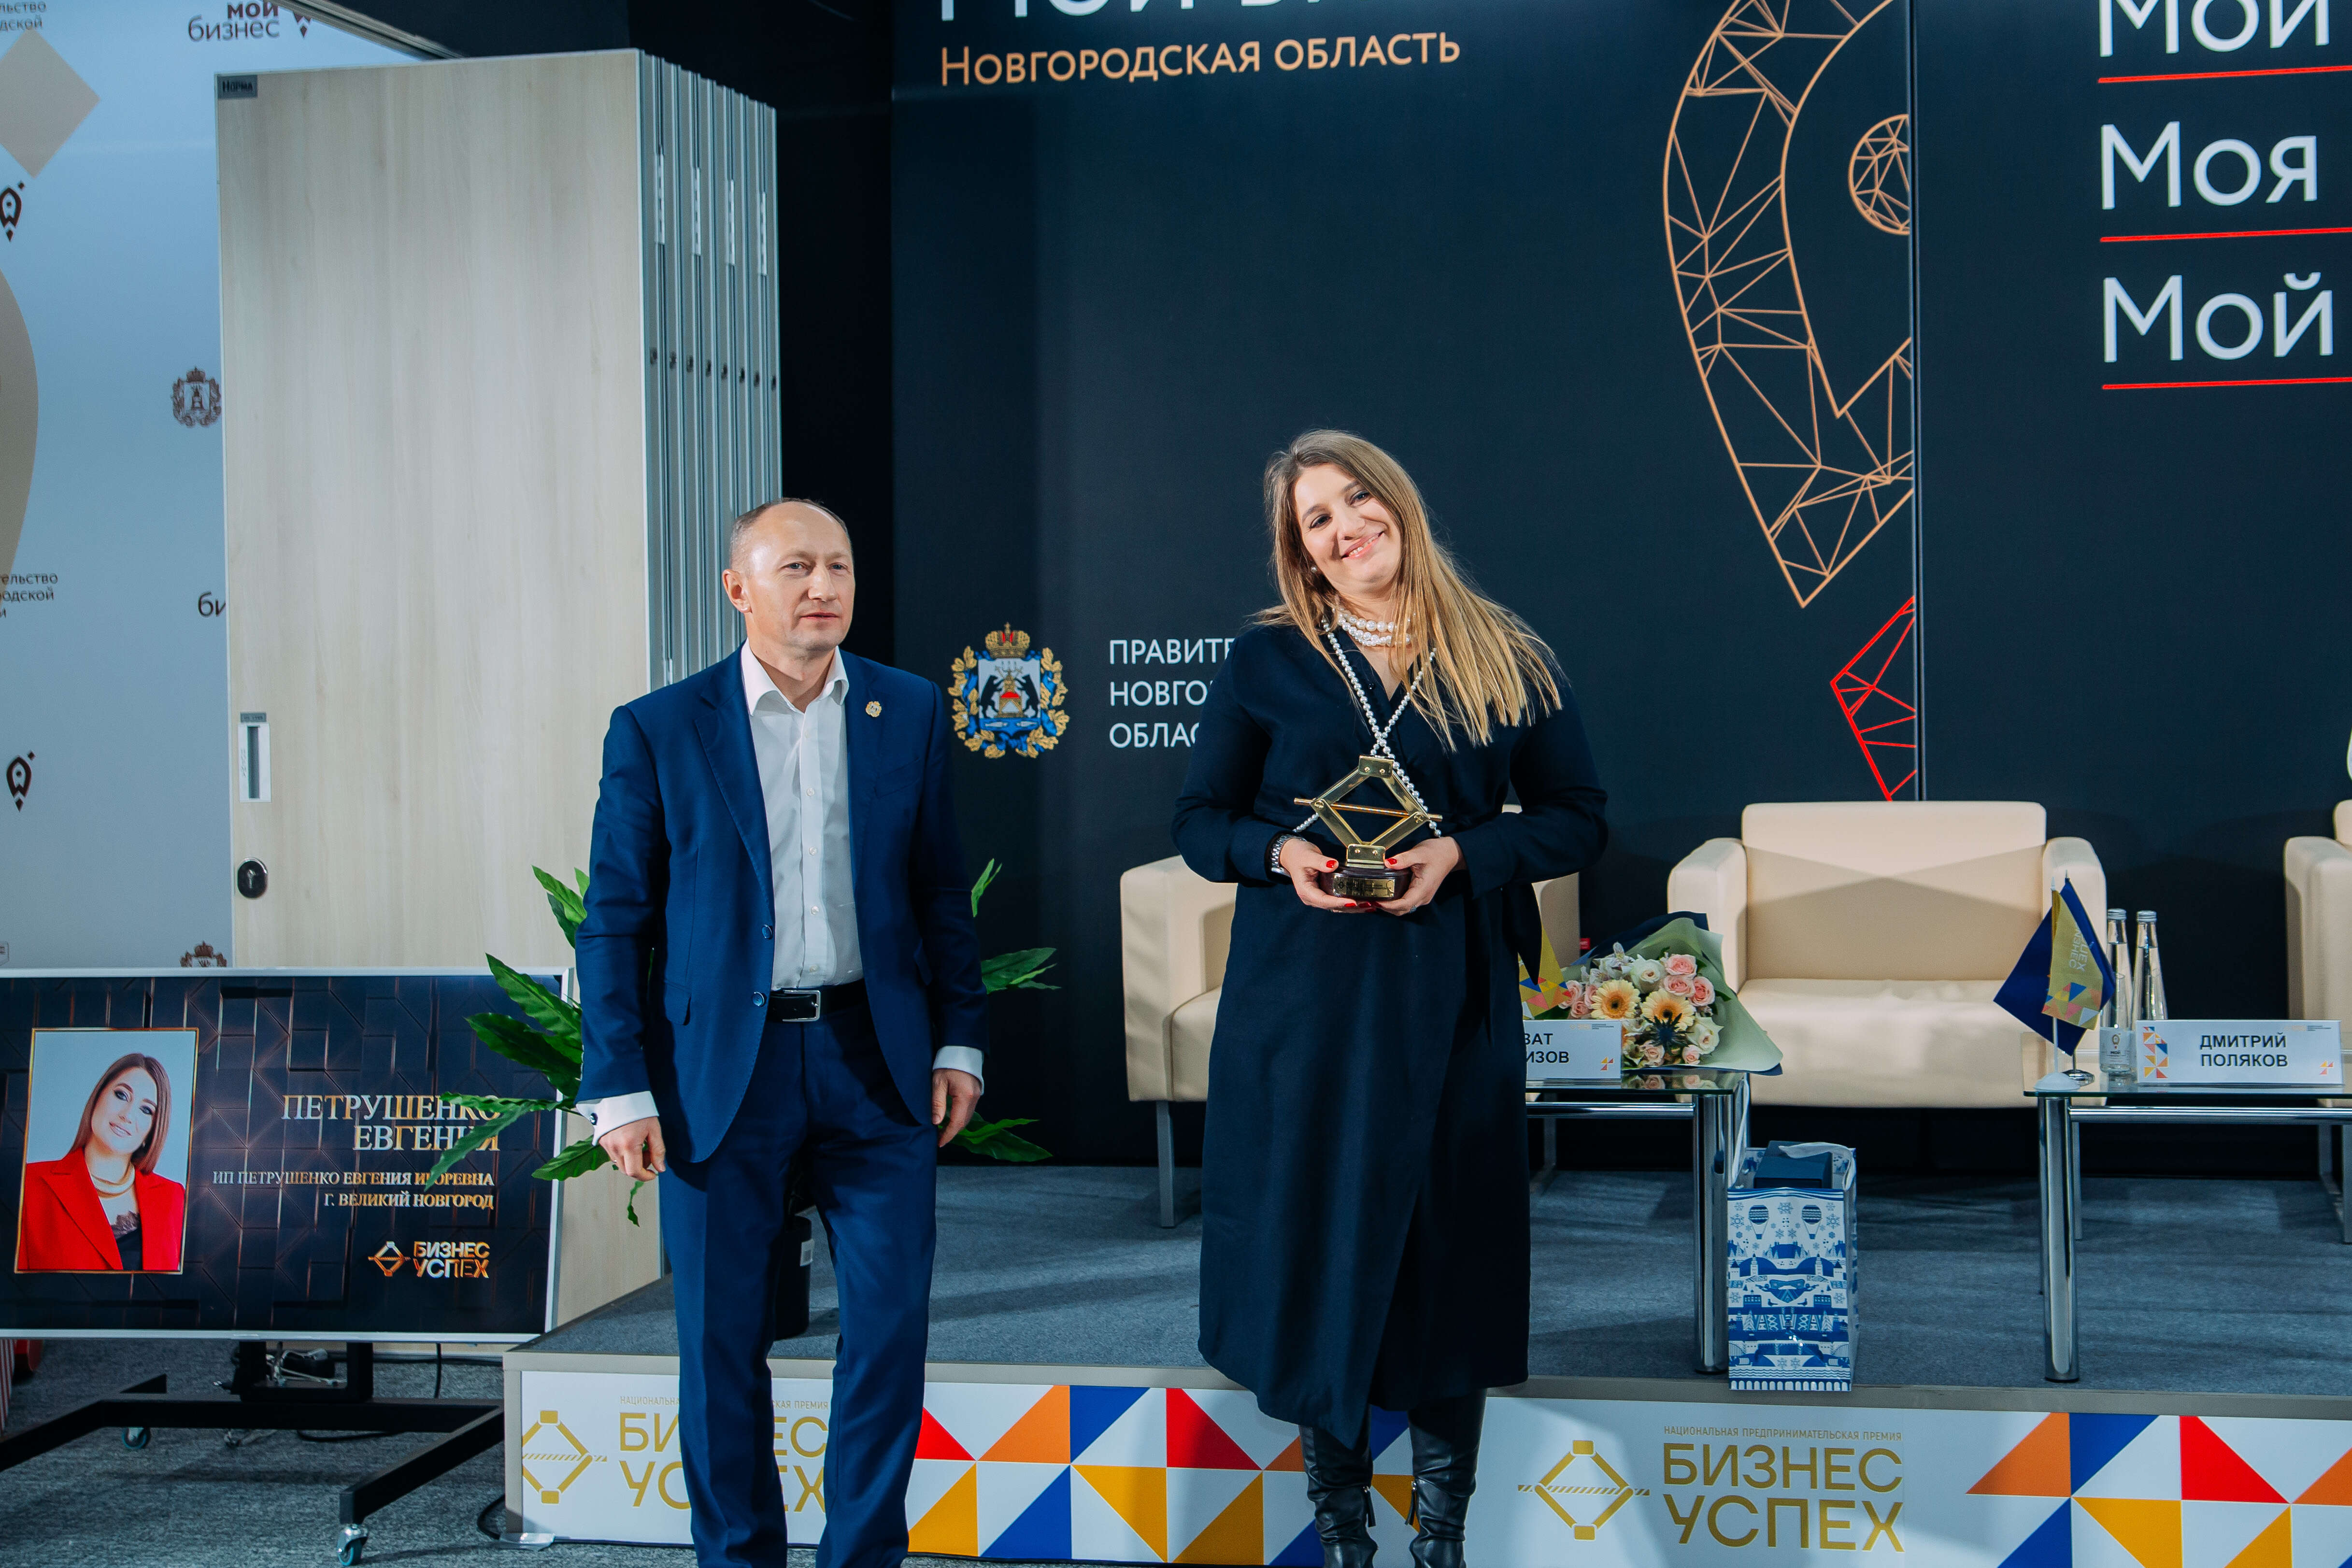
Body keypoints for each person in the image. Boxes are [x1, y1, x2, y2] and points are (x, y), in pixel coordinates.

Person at [1172, 432, 1608, 1568]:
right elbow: (1198, 820)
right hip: (1302, 1002)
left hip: (1451, 995)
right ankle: (1342, 1532)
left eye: (1356, 500)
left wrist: (1463, 854)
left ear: (1398, 504)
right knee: (1320, 1244)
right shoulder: (1266, 659)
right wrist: (1279, 853)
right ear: (1299, 550)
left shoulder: (1505, 650)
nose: (1344, 527)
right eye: (1315, 519)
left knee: (1450, 1249)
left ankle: (1440, 1537)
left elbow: (1577, 816)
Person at [575, 499, 989, 1568]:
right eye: (796, 567)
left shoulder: (907, 708)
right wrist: (618, 1083)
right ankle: (738, 1558)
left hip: (875, 1062)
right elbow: (614, 920)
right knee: (721, 1345)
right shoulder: (659, 728)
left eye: (837, 567)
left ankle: (862, 1557)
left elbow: (941, 892)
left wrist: (958, 1040)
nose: (823, 587)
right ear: (738, 590)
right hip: (722, 1073)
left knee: (888, 1333)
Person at [16, 1052, 186, 1272]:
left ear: (152, 1130)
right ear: (98, 1097)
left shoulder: (173, 1198)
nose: (128, 1115)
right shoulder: (29, 1183)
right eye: (122, 1095)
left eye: (146, 1110)